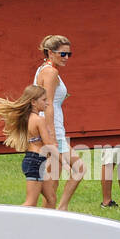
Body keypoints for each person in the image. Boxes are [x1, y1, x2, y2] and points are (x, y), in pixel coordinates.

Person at [0, 84, 55, 207]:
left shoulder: (28, 118)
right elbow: (49, 145)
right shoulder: (39, 120)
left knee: (51, 198)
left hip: (35, 160)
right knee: (30, 203)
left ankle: (46, 226)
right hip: (35, 161)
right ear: (33, 102)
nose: (47, 103)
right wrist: (65, 161)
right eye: (44, 100)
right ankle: (9, 221)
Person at [36, 35, 87, 211]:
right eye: (62, 54)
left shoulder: (44, 69)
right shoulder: (51, 72)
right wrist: (51, 136)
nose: (66, 58)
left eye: (69, 54)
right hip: (52, 128)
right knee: (52, 184)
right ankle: (52, 216)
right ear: (50, 52)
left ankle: (61, 210)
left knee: (76, 170)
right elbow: (48, 103)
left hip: (54, 127)